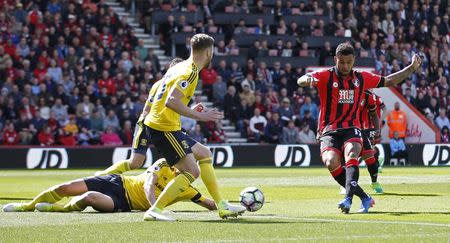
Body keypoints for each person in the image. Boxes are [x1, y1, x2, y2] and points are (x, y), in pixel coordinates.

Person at [297, 42, 421, 213]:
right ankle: (365, 198)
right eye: (341, 62)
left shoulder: (361, 78)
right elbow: (302, 79)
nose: (345, 66)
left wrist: (412, 67)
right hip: (329, 129)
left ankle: (347, 199)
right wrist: (307, 80)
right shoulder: (326, 76)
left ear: (354, 60)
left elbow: (390, 80)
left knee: (352, 154)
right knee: (331, 162)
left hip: (352, 128)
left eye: (349, 62)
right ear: (335, 59)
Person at [142, 34, 245, 221]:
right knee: (192, 171)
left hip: (164, 124)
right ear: (208, 52)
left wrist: (189, 110)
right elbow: (171, 102)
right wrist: (201, 116)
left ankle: (222, 205)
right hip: (163, 128)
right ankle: (155, 210)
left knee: (205, 153)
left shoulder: (180, 67)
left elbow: (169, 100)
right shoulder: (190, 72)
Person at [3, 159, 216, 213]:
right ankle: (28, 206)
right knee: (65, 187)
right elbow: (149, 184)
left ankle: (58, 208)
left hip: (123, 202)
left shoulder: (187, 189)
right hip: (117, 181)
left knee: (90, 198)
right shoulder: (163, 163)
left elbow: (209, 204)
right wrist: (154, 208)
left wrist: (238, 206)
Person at [95, 58, 184, 176]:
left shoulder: (169, 85)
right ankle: (101, 176)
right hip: (150, 125)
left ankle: (177, 187)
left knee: (183, 158)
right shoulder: (164, 85)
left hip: (162, 126)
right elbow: (149, 108)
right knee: (135, 162)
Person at [358, 90, 387, 194]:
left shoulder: (374, 98)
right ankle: (347, 184)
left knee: (371, 152)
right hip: (356, 128)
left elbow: (384, 109)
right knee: (353, 154)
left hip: (370, 128)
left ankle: (374, 180)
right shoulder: (352, 94)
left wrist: (379, 123)